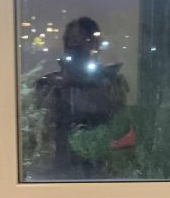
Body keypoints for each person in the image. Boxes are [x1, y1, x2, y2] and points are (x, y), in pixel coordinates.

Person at [35, 17, 133, 177]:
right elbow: (43, 132)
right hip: (60, 169)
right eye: (70, 39)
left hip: (101, 169)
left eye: (81, 39)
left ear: (95, 43)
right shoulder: (50, 84)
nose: (73, 44)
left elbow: (121, 129)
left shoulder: (111, 83)